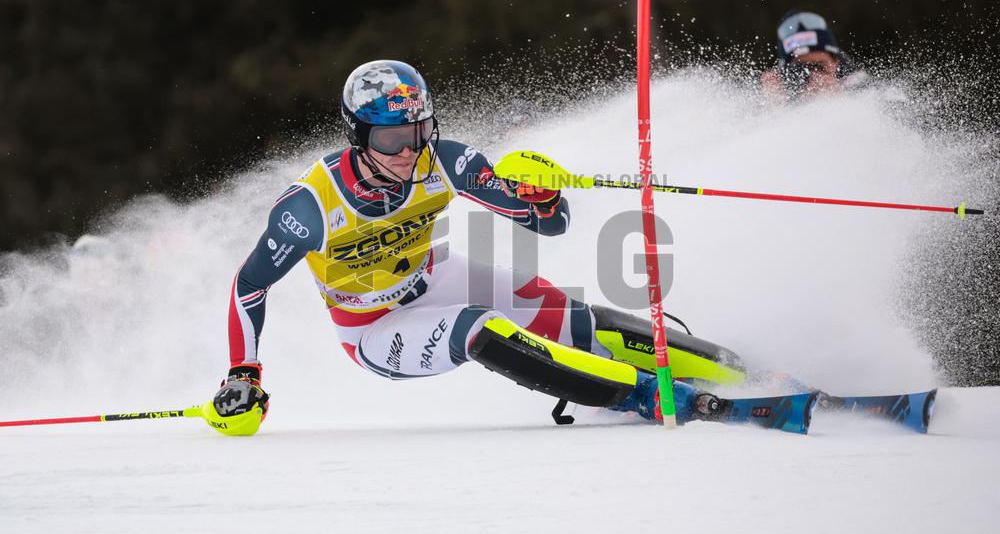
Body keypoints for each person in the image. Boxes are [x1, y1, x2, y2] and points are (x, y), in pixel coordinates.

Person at [208, 60, 739, 435]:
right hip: (373, 325)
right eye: (390, 140)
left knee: (564, 314)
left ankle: (735, 369)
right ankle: (648, 397)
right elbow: (249, 284)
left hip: (435, 275)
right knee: (480, 327)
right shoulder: (309, 208)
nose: (407, 153)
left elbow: (548, 224)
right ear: (358, 135)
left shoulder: (444, 160)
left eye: (417, 133)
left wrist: (545, 195)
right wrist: (244, 373)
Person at [760, 10, 867, 99]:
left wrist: (838, 98)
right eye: (800, 69)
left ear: (836, 62)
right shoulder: (781, 94)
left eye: (820, 66)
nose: (815, 78)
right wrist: (774, 107)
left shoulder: (862, 88)